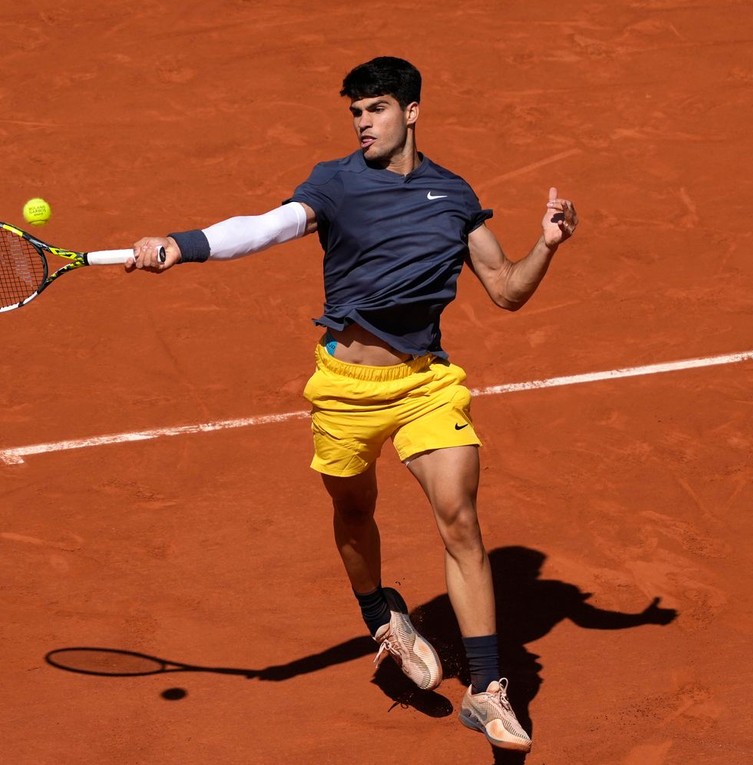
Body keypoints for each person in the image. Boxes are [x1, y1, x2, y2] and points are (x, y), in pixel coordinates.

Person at [126, 56, 578, 753]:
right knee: (352, 511)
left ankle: (487, 690)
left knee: (460, 515)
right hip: (344, 389)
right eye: (356, 112)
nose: (364, 122)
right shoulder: (336, 183)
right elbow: (268, 226)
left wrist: (546, 246)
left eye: (376, 108)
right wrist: (182, 245)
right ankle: (383, 615)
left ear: (412, 111)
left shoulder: (453, 196)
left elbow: (509, 288)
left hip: (425, 383)